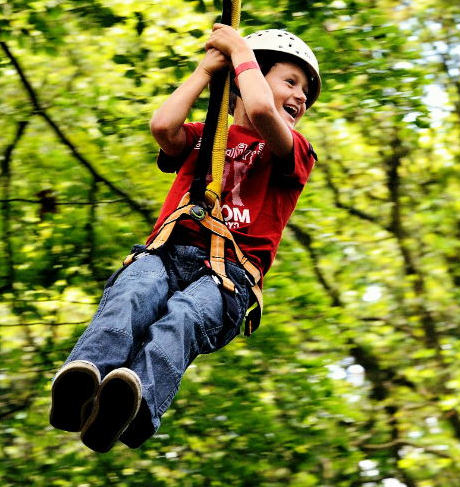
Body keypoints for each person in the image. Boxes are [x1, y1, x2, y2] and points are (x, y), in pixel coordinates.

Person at [48, 24, 320, 453]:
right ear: (243, 80)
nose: (301, 97)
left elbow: (263, 111)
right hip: (165, 252)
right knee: (133, 294)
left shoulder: (294, 151)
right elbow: (162, 125)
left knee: (185, 317)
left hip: (227, 277)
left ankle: (135, 407)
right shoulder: (203, 137)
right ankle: (83, 384)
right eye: (291, 81)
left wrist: (238, 48)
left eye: (305, 91)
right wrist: (206, 70)